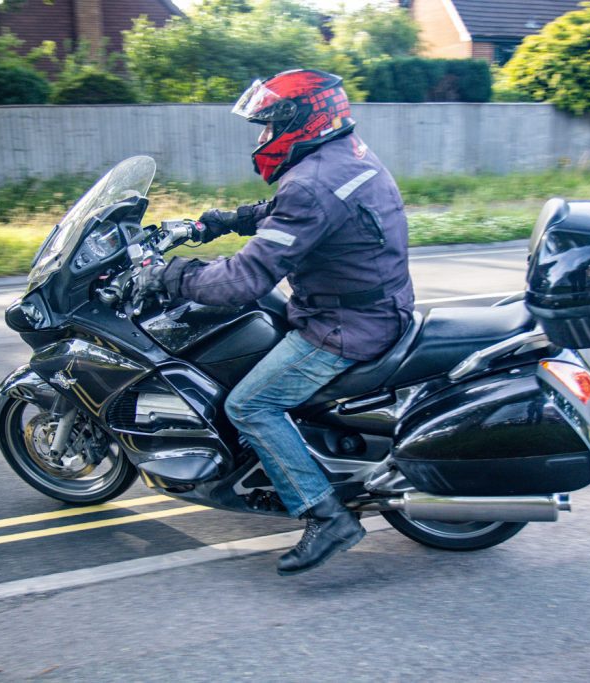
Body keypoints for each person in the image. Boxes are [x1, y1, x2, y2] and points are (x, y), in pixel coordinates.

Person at [134, 69, 415, 575]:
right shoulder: (342, 155)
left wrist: (170, 276)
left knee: (249, 403)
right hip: (363, 305)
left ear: (300, 122)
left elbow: (242, 279)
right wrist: (223, 221)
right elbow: (290, 212)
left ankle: (325, 515)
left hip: (344, 325)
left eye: (267, 127)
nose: (262, 139)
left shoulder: (311, 184)